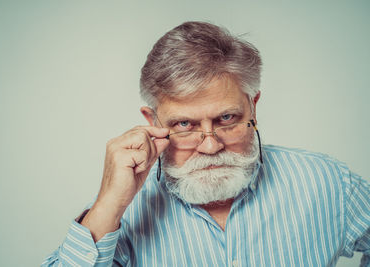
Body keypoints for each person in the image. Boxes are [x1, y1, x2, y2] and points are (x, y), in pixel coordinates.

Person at [42, 21, 370, 267]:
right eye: (185, 125)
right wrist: (108, 205)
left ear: (252, 106)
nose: (210, 146)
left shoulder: (327, 182)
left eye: (226, 118)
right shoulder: (122, 213)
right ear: (153, 122)